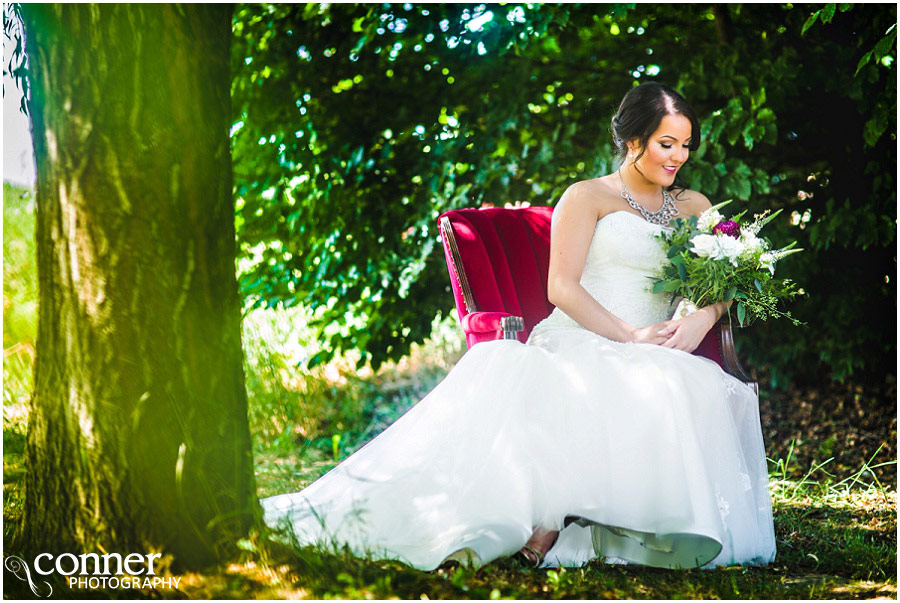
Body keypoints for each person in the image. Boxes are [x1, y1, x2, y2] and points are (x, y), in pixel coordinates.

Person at [261, 82, 777, 571]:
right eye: (667, 143)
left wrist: (703, 318)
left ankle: (617, 526)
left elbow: (728, 277)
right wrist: (630, 336)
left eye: (686, 145)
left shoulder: (697, 207)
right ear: (633, 138)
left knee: (677, 378)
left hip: (661, 346)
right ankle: (546, 521)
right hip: (587, 336)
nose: (679, 157)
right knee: (608, 377)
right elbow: (562, 289)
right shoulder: (587, 196)